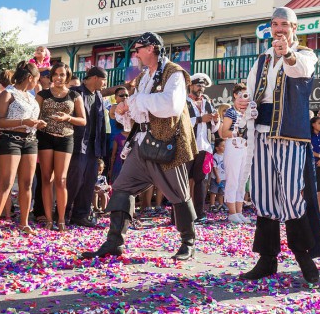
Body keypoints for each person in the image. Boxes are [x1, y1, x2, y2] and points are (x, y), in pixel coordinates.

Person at [81, 31, 198, 260]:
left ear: (151, 48)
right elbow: (140, 111)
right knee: (123, 188)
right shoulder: (145, 76)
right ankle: (114, 242)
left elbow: (171, 106)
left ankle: (188, 242)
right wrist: (125, 110)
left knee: (179, 194)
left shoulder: (174, 73)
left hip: (167, 144)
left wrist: (136, 101)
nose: (135, 53)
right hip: (142, 142)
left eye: (138, 49)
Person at [236, 6, 320, 283]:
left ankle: (303, 258)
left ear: (294, 28)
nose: (279, 28)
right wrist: (242, 101)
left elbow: (300, 72)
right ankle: (267, 259)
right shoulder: (262, 59)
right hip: (261, 132)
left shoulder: (305, 55)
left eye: (284, 24)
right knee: (264, 196)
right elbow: (252, 91)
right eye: (275, 24)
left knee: (290, 195)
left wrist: (286, 52)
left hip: (290, 135)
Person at [0, 61, 47, 236]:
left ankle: (24, 223)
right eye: (37, 79)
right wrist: (23, 122)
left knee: (27, 183)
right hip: (9, 140)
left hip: (30, 140)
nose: (37, 83)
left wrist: (37, 124)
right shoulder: (8, 93)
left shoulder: (31, 96)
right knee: (6, 182)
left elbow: (31, 119)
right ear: (30, 78)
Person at [36, 62, 86, 231]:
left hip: (66, 138)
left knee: (61, 180)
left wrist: (68, 118)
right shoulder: (42, 94)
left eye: (62, 75)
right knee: (46, 178)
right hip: (45, 138)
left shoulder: (74, 95)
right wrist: (38, 123)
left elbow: (83, 120)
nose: (59, 77)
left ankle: (62, 219)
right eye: (56, 74)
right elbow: (34, 116)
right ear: (51, 76)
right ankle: (49, 219)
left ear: (67, 77)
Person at [65, 66, 107, 227]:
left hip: (93, 147)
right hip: (77, 144)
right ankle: (63, 213)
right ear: (95, 78)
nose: (105, 83)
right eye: (103, 79)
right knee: (73, 181)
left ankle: (80, 215)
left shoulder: (98, 96)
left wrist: (100, 153)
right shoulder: (75, 92)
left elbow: (101, 125)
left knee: (89, 182)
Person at [186, 73, 220, 223]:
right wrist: (200, 119)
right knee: (183, 181)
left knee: (202, 181)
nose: (201, 89)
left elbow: (213, 129)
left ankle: (199, 214)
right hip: (186, 147)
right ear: (191, 85)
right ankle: (180, 216)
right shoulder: (183, 102)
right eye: (199, 85)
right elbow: (178, 123)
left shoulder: (207, 103)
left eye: (203, 87)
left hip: (204, 147)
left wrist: (216, 120)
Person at [219, 82, 250, 224]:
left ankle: (239, 211)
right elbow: (223, 132)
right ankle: (232, 212)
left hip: (246, 147)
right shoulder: (231, 111)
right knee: (233, 180)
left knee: (242, 181)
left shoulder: (248, 113)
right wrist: (238, 132)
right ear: (235, 96)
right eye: (242, 95)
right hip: (233, 146)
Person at [209, 138, 226, 212]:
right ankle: (212, 205)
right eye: (222, 146)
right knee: (214, 191)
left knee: (221, 192)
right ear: (217, 148)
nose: (224, 147)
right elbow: (214, 167)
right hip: (216, 177)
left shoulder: (225, 156)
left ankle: (220, 204)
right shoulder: (215, 157)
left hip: (223, 177)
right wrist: (217, 177)